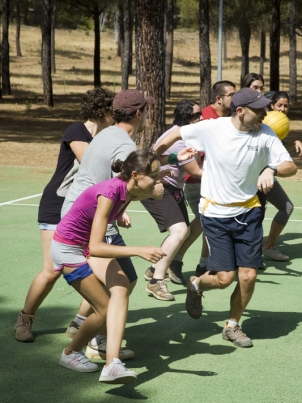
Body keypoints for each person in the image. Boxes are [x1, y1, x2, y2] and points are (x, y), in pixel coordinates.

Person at [154, 88, 297, 348]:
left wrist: (271, 169)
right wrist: (160, 156)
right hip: (215, 213)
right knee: (224, 278)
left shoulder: (265, 133)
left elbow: (291, 166)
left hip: (249, 212)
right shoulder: (212, 128)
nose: (265, 114)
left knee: (248, 276)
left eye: (266, 109)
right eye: (259, 110)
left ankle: (232, 325)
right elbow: (176, 132)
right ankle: (196, 284)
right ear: (240, 111)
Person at [52, 150, 166, 384]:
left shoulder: (129, 190)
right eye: (153, 175)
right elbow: (96, 247)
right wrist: (139, 250)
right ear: (135, 175)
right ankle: (70, 353)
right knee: (103, 308)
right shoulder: (110, 193)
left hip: (83, 245)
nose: (157, 180)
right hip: (68, 249)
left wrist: (120, 215)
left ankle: (112, 364)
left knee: (121, 285)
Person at [14, 88, 115, 343]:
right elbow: (92, 166)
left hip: (83, 210)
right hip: (55, 206)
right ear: (103, 111)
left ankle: (79, 322)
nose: (117, 116)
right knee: (52, 270)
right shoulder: (76, 132)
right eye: (113, 111)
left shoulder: (106, 139)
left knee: (99, 268)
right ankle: (25, 318)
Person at [142, 100, 202, 300]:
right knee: (180, 231)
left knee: (182, 233)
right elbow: (197, 171)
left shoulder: (184, 134)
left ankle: (153, 268)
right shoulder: (181, 139)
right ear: (186, 118)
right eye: (196, 115)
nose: (201, 118)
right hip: (157, 187)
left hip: (173, 188)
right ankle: (156, 281)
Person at [180, 80, 237, 276]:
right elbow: (188, 150)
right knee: (204, 224)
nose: (235, 98)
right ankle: (169, 263)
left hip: (218, 184)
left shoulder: (232, 118)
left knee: (208, 225)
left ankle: (203, 266)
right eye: (232, 95)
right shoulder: (203, 118)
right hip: (197, 182)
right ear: (219, 99)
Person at [261, 91, 302, 261]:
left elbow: (276, 144)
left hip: (268, 171)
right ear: (272, 105)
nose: (283, 108)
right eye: (280, 105)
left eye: (286, 106)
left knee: (286, 207)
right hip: (255, 173)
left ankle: (268, 246)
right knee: (254, 214)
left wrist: (293, 142)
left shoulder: (279, 123)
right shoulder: (264, 120)